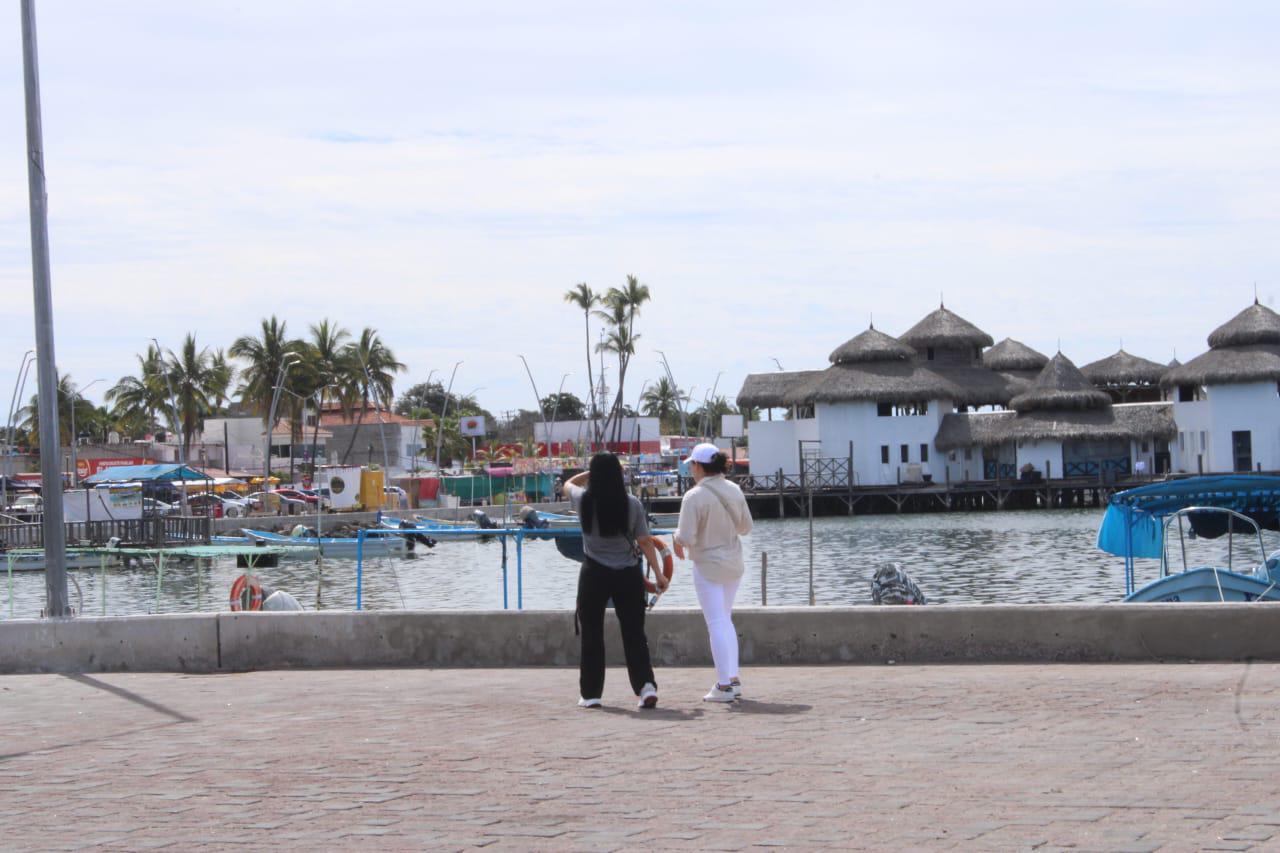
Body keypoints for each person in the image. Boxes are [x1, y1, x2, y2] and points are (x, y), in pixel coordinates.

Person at [563, 453, 668, 710]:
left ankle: (591, 694)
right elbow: (644, 542)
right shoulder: (632, 503)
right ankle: (646, 687)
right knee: (634, 633)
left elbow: (568, 484)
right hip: (628, 575)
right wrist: (659, 574)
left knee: (592, 633)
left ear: (594, 475)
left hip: (594, 573)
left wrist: (591, 473)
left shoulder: (583, 500)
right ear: (619, 475)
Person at [673, 443, 753, 702]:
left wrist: (674, 537)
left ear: (698, 466)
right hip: (734, 564)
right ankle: (733, 679)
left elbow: (685, 536)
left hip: (708, 565)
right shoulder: (734, 489)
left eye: (692, 465)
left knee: (716, 622)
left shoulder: (694, 496)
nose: (691, 470)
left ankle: (723, 686)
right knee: (725, 620)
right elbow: (745, 527)